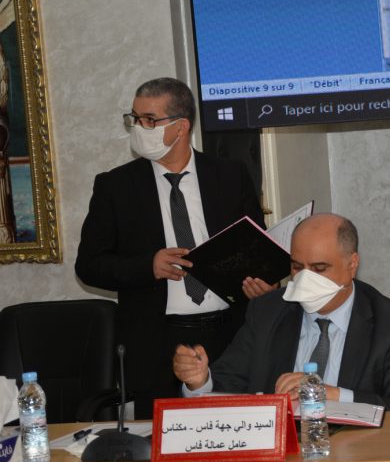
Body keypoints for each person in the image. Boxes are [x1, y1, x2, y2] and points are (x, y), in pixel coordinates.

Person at [76, 78, 265, 419]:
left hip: (230, 334)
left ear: (181, 126)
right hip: (156, 340)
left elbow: (257, 247)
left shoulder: (230, 175)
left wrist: (262, 282)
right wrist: (147, 266)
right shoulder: (115, 186)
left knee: (236, 430)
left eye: (150, 120)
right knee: (162, 439)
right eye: (134, 118)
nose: (138, 128)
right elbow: (89, 265)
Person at [174, 214, 390, 410]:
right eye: (296, 267)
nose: (304, 279)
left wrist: (335, 396)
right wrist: (200, 382)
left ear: (352, 265)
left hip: (361, 455)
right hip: (281, 456)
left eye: (319, 268)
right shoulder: (268, 311)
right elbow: (227, 385)